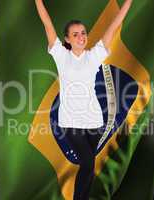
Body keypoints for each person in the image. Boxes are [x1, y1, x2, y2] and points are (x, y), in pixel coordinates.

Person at [34, 0, 133, 199]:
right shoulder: (61, 55)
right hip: (70, 123)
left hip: (94, 121)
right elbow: (47, 23)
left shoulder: (94, 55)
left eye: (83, 33)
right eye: (75, 34)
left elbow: (114, 26)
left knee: (89, 165)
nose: (81, 37)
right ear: (67, 39)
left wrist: (128, 2)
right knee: (88, 164)